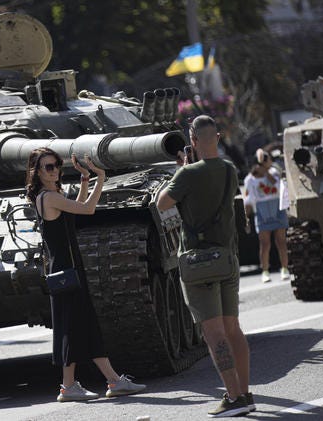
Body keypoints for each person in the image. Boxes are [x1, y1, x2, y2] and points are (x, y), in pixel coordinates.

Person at [25, 147, 146, 402]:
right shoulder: (49, 197)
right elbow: (89, 209)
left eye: (57, 165)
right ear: (36, 172)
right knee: (77, 325)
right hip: (67, 270)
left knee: (78, 325)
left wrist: (85, 181)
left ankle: (79, 385)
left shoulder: (48, 196)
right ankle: (104, 382)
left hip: (65, 267)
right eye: (48, 167)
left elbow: (76, 208)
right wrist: (101, 178)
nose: (55, 170)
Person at [157, 115, 253, 417]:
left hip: (199, 262)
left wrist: (183, 169)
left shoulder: (187, 175)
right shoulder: (229, 169)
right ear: (219, 137)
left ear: (193, 140)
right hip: (227, 258)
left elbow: (163, 203)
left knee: (213, 334)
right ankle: (246, 394)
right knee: (232, 328)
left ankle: (233, 397)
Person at [243, 148, 290, 283]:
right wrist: (246, 218)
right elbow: (249, 200)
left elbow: (278, 185)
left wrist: (266, 173)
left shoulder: (274, 172)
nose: (270, 161)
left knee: (281, 241)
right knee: (265, 243)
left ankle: (284, 268)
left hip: (277, 208)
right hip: (262, 211)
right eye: (268, 158)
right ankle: (265, 271)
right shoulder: (250, 180)